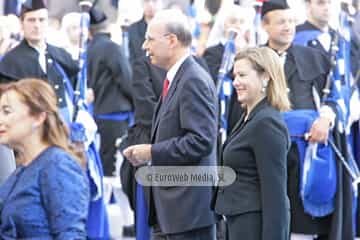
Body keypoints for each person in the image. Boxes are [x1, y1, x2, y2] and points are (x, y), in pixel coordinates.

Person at [261, 0, 353, 239]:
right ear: (265, 25)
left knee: (304, 223)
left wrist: (325, 119)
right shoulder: (254, 60)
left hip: (307, 150)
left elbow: (334, 97)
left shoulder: (315, 57)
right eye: (282, 22)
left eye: (291, 21)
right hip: (268, 150)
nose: (288, 27)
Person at [123, 9, 217, 240]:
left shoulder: (192, 79)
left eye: (150, 39)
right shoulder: (178, 77)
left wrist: (151, 152)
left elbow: (200, 141)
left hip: (187, 214)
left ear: (172, 40)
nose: (145, 46)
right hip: (175, 214)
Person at [213, 46, 291, 240]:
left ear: (265, 77)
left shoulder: (266, 123)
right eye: (234, 76)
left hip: (254, 226)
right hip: (238, 222)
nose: (235, 82)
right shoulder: (249, 117)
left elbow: (275, 192)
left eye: (242, 75)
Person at [0, 78, 89, 239]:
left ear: (38, 118)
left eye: (7, 111)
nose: (1, 119)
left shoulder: (58, 165)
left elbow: (70, 233)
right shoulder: (22, 169)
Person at [0, 0, 79, 124]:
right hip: (28, 127)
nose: (37, 25)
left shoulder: (61, 55)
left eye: (41, 20)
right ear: (22, 23)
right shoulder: (10, 62)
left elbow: (74, 88)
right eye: (31, 20)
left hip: (63, 123)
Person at [87, 7, 133, 176]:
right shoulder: (112, 48)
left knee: (104, 161)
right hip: (115, 112)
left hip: (99, 111)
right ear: (107, 27)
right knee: (112, 166)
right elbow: (126, 79)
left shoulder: (89, 48)